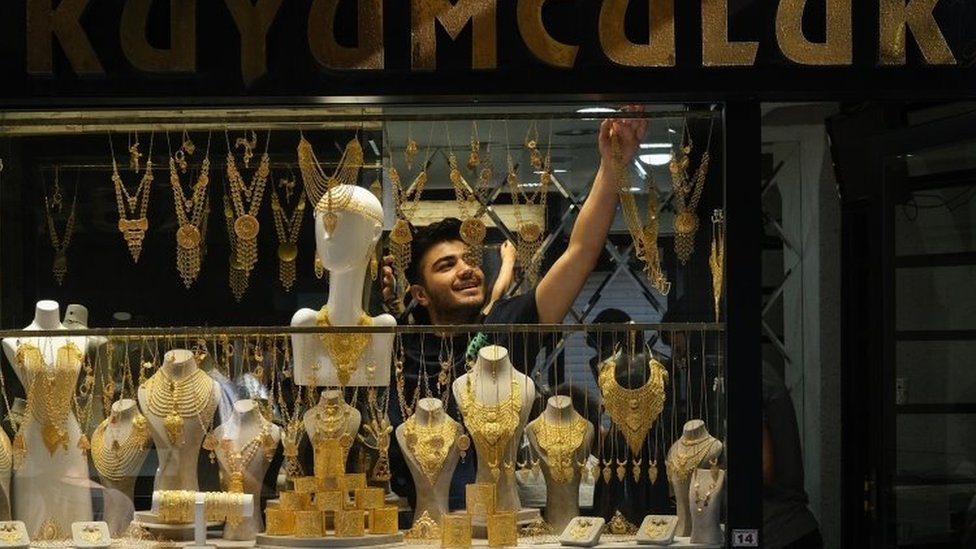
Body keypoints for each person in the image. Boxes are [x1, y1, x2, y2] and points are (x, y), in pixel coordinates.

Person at [381, 108, 647, 511]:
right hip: (413, 524)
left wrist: (613, 168)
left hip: (498, 523)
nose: (467, 269)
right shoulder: (397, 348)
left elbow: (579, 255)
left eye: (469, 259)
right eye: (446, 265)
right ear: (420, 294)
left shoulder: (505, 327)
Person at [763, 361, 823, 549]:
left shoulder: (749, 378)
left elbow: (764, 468)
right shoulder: (760, 374)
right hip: (786, 529)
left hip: (780, 532)